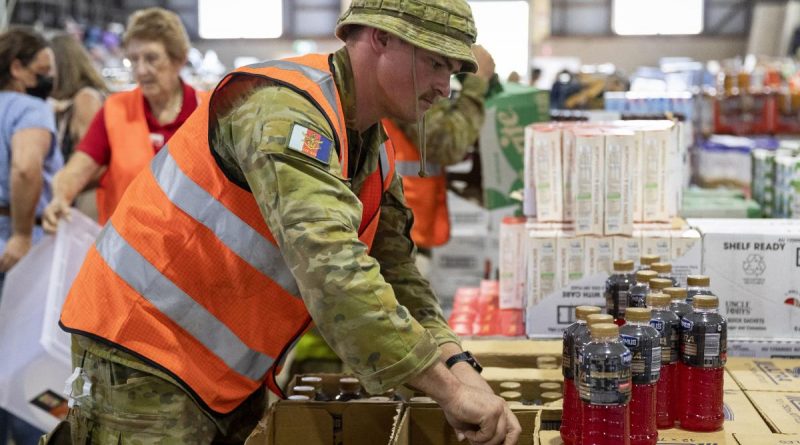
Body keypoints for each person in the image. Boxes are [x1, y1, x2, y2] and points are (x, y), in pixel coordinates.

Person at [55, 0, 521, 444]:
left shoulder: (371, 149)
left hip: (219, 368)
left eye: (454, 72)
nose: (445, 87)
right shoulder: (285, 111)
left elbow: (397, 275)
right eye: (437, 64)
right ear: (381, 38)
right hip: (141, 349)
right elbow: (332, 269)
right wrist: (448, 390)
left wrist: (457, 365)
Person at [43, 7, 207, 230]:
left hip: (190, 249)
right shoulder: (116, 109)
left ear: (178, 60)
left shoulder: (206, 112)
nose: (141, 70)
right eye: (133, 60)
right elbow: (78, 168)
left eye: (151, 58)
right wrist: (61, 197)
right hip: (127, 251)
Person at [0, 27, 62, 445]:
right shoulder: (28, 109)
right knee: (24, 368)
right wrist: (22, 234)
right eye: (42, 69)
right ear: (17, 68)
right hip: (18, 251)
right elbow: (25, 167)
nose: (48, 78)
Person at [383, 44, 494, 251]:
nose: (444, 87)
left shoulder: (408, 75)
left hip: (408, 226)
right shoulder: (406, 82)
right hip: (400, 235)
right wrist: (476, 84)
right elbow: (445, 145)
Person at [49, 33, 108, 220]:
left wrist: (63, 189)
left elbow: (95, 162)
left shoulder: (86, 99)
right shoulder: (72, 101)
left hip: (84, 206)